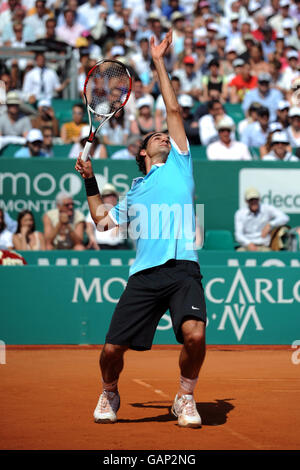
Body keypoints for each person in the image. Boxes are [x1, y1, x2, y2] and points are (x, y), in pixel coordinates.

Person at [75, 30, 207, 428]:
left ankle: (184, 397)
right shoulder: (133, 194)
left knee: (196, 337)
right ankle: (110, 391)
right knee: (111, 349)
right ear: (143, 152)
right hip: (145, 275)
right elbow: (103, 222)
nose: (164, 135)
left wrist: (159, 63)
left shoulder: (180, 162)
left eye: (165, 134)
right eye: (156, 137)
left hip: (184, 267)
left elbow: (174, 111)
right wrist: (90, 180)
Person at [234, 187, 290, 252]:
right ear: (246, 201)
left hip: (264, 247)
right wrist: (248, 243)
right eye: (251, 200)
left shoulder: (267, 208)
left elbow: (285, 218)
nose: (254, 202)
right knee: (239, 253)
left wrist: (270, 224)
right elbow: (238, 235)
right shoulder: (240, 213)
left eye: (256, 199)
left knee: (269, 254)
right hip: (246, 247)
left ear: (259, 199)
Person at [85, 183, 129, 250]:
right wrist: (92, 238)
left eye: (113, 195)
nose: (111, 198)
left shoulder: (121, 210)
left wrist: (119, 226)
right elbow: (89, 225)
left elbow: (127, 228)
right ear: (102, 198)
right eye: (108, 195)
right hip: (100, 246)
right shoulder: (96, 210)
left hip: (119, 247)